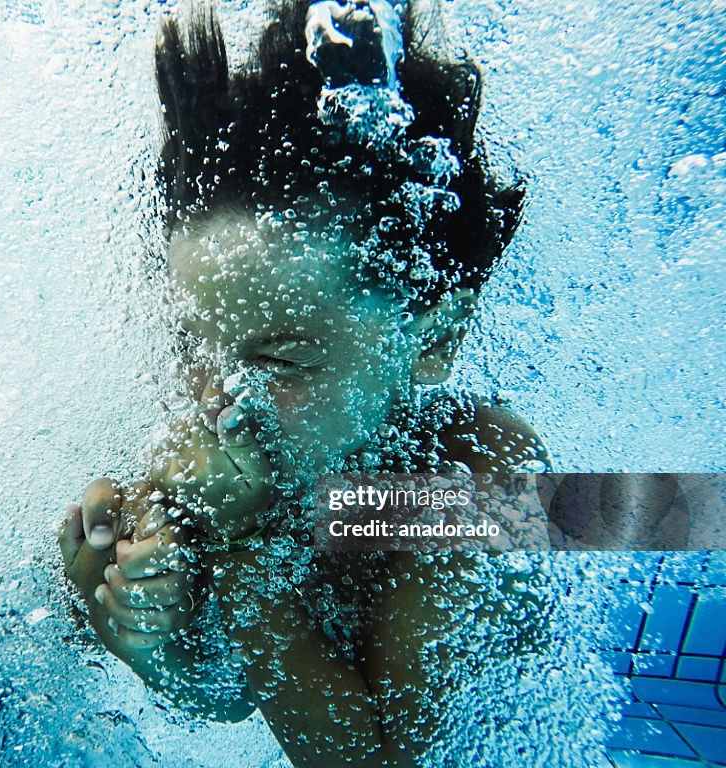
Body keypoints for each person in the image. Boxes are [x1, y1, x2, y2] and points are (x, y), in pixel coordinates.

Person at [59, 0, 552, 764]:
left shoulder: (480, 477)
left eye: (281, 360)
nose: (219, 400)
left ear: (437, 336)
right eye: (196, 347)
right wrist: (151, 639)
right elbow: (231, 698)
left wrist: (244, 541)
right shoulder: (255, 453)